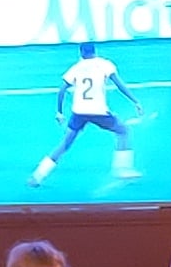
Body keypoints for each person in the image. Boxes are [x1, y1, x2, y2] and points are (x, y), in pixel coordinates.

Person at [32, 37, 142, 185]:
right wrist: (135, 101)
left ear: (81, 53)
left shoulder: (76, 68)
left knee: (65, 143)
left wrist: (59, 112)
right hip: (98, 111)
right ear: (95, 51)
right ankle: (122, 169)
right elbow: (120, 85)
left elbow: (62, 89)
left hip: (79, 112)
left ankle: (39, 174)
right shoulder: (104, 64)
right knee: (123, 131)